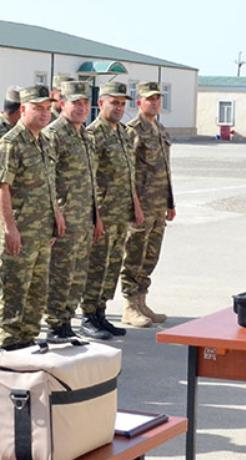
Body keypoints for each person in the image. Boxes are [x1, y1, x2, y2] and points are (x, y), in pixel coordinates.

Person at [0, 85, 65, 350]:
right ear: (23, 109)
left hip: (41, 231)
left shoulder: (45, 140)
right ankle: (7, 342)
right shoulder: (11, 143)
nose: (44, 113)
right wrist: (9, 228)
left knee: (37, 291)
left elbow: (50, 183)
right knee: (14, 289)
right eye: (37, 108)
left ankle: (27, 338)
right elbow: (2, 186)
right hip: (21, 230)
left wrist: (56, 215)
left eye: (47, 108)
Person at [82, 82, 147, 332]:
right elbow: (89, 179)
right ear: (101, 103)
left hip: (121, 213)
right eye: (114, 102)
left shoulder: (122, 132)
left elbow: (129, 174)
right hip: (103, 214)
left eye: (122, 103)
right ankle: (88, 314)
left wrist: (136, 206)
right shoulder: (92, 135)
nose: (119, 107)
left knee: (112, 265)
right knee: (97, 264)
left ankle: (101, 312)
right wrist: (96, 216)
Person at [43, 81, 105, 341]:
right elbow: (47, 178)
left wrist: (97, 217)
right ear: (62, 104)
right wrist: (56, 213)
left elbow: (92, 181)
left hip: (84, 218)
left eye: (84, 103)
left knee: (78, 273)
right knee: (61, 272)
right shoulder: (53, 134)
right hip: (65, 217)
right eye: (75, 103)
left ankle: (68, 320)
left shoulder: (85, 135)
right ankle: (57, 324)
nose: (81, 108)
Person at [121, 82, 174, 326]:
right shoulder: (134, 130)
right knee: (134, 255)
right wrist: (135, 206)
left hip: (158, 205)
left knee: (151, 256)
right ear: (139, 102)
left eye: (158, 99)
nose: (154, 103)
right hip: (141, 206)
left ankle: (142, 302)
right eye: (149, 99)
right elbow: (129, 172)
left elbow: (166, 169)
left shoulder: (161, 130)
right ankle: (130, 306)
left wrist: (170, 203)